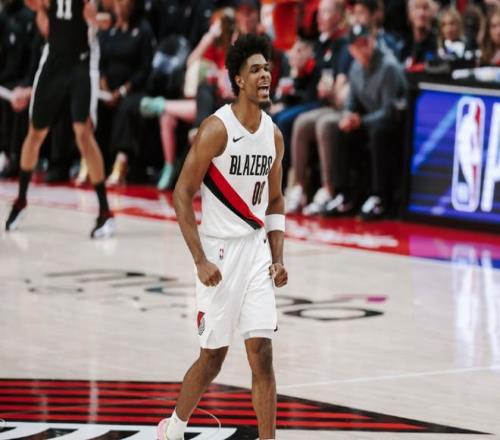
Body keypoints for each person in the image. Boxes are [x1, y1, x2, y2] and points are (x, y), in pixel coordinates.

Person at [158, 34, 288, 440]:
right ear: (238, 80)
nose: (265, 75)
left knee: (262, 354)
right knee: (212, 358)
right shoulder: (217, 129)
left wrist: (278, 257)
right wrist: (199, 260)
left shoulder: (274, 135)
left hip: (255, 251)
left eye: (267, 68)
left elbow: (276, 199)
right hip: (218, 251)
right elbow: (182, 193)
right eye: (255, 70)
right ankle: (174, 427)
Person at [4, 0, 115, 238]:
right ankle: (21, 200)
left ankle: (105, 212)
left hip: (82, 63)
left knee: (83, 133)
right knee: (35, 132)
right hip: (53, 60)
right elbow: (40, 15)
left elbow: (110, 20)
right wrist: (40, 11)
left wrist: (95, 19)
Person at [324, 24, 407, 220]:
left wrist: (360, 121)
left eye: (366, 43)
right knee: (340, 129)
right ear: (351, 50)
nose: (364, 48)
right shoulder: (355, 68)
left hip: (393, 124)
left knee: (378, 132)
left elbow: (389, 111)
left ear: (372, 42)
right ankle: (344, 194)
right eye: (358, 45)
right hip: (368, 121)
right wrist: (348, 116)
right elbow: (351, 103)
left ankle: (379, 197)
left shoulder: (388, 67)